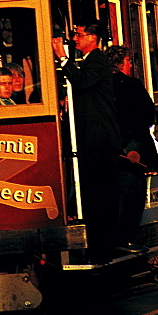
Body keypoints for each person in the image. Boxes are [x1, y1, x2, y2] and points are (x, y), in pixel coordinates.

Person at [52, 20, 121, 263]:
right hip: (92, 139)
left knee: (99, 194)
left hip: (99, 139)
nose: (75, 39)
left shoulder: (98, 60)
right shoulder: (89, 61)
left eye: (79, 34)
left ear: (92, 38)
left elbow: (81, 83)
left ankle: (103, 246)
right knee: (94, 194)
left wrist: (62, 58)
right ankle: (99, 244)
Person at [105, 45, 158, 251]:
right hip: (132, 149)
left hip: (109, 148)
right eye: (129, 61)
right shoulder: (131, 86)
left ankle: (117, 237)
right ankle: (126, 237)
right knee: (133, 193)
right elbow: (148, 115)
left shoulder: (101, 86)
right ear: (120, 63)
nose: (131, 66)